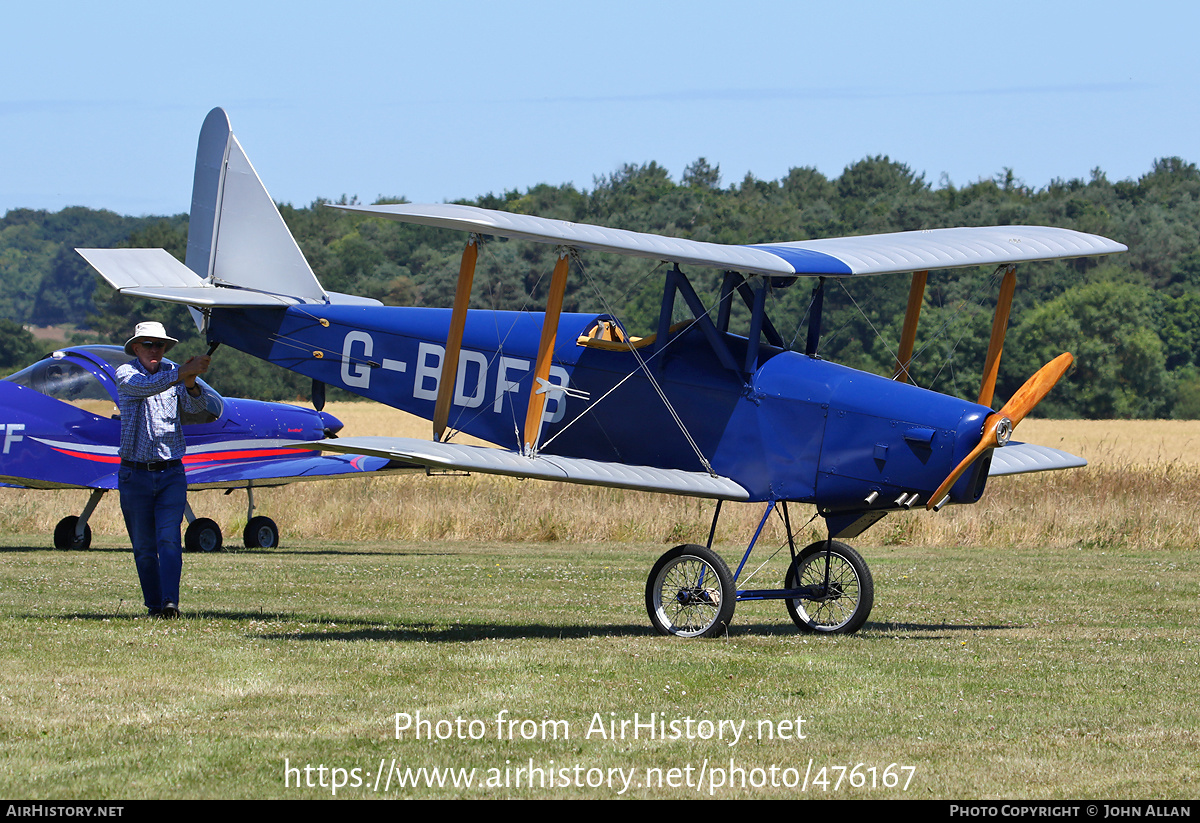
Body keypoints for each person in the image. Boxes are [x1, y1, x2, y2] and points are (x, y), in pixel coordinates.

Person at [116, 321, 211, 618]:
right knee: (144, 547)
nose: (155, 350)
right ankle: (154, 605)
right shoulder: (126, 374)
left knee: (169, 539)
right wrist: (183, 373)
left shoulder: (174, 374)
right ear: (136, 347)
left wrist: (192, 382)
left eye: (159, 345)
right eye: (148, 344)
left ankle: (170, 603)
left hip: (171, 472)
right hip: (135, 474)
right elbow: (147, 387)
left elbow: (198, 409)